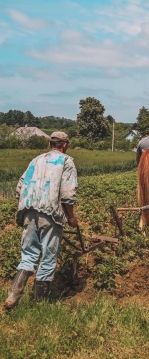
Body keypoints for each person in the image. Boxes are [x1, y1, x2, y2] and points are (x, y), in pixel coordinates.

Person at [4, 131, 78, 310]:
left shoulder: (36, 160)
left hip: (28, 210)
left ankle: (13, 296)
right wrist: (71, 217)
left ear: (50, 144)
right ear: (65, 145)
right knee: (48, 256)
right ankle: (39, 304)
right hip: (50, 213)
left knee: (29, 254)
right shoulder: (66, 161)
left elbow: (20, 186)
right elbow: (68, 194)